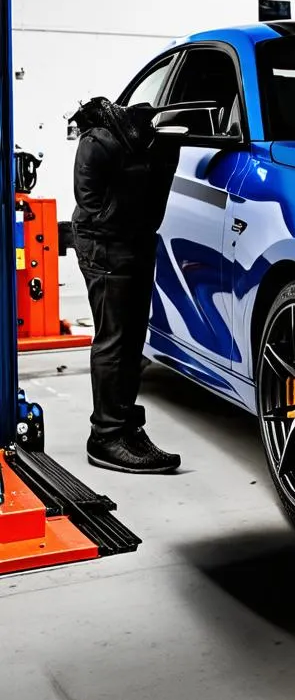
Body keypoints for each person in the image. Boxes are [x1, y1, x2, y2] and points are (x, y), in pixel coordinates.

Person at [69, 96, 182, 474]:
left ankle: (126, 426)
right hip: (106, 246)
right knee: (115, 338)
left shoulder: (154, 144)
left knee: (133, 337)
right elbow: (94, 209)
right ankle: (106, 436)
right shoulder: (100, 142)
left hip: (136, 240)